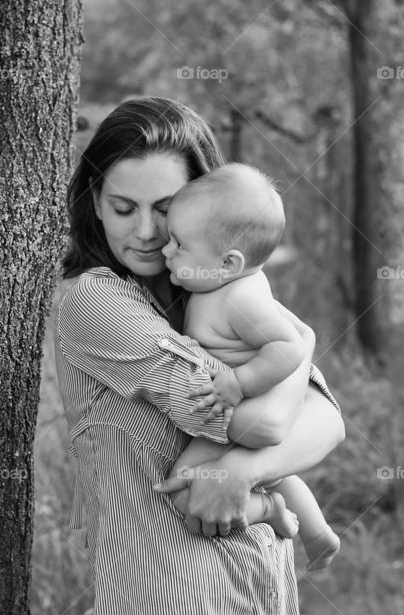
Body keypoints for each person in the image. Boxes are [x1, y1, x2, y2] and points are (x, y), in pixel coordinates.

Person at [55, 97, 346, 614]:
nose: (146, 232)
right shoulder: (95, 302)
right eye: (124, 208)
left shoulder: (217, 284)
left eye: (165, 209)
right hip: (171, 590)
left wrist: (238, 473)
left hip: (260, 581)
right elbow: (267, 421)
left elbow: (328, 421)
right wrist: (300, 347)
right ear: (95, 202)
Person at [161, 162, 341, 570]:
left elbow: (288, 347)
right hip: (248, 419)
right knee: (274, 471)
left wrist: (239, 383)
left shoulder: (239, 299)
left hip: (242, 412)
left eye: (179, 245)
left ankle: (267, 508)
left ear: (228, 263)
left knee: (182, 486)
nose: (166, 251)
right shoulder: (222, 284)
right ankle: (315, 532)